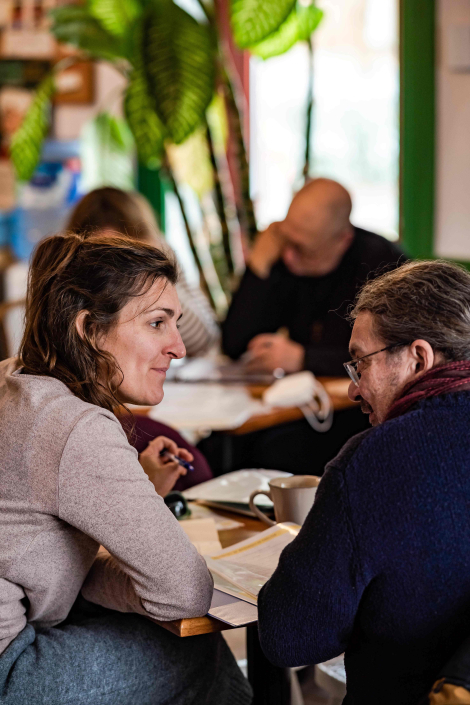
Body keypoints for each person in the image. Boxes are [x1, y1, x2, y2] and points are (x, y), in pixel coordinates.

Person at [0, 233, 252, 705]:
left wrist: (131, 574)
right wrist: (148, 580)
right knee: (199, 648)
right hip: (6, 671)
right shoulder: (74, 425)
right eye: (157, 323)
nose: (177, 348)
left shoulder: (12, 378)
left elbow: (49, 559)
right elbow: (185, 595)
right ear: (88, 329)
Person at [257, 260, 470, 705]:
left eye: (360, 363)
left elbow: (290, 638)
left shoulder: (374, 461)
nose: (354, 389)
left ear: (419, 358)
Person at [67, 187, 217, 490]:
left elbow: (204, 336)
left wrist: (152, 274)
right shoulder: (78, 432)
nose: (178, 348)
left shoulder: (159, 264)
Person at [222, 177, 404, 376]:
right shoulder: (282, 253)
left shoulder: (385, 269)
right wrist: (258, 266)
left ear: (343, 240)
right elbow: (233, 344)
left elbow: (390, 358)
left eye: (303, 250)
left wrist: (303, 358)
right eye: (286, 239)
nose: (289, 257)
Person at [67, 187, 220, 359]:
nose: (116, 269)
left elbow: (204, 339)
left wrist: (154, 268)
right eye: (100, 255)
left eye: (125, 254)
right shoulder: (67, 285)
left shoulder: (162, 257)